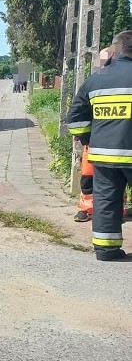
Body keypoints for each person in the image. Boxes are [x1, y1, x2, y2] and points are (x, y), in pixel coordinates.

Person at [66, 30, 132, 261]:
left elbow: (75, 117)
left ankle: (106, 250)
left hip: (103, 155)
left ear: (115, 51)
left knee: (106, 201)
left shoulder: (96, 80)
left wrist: (88, 139)